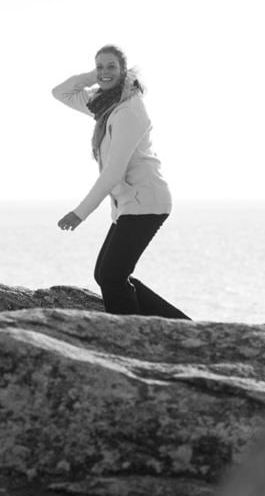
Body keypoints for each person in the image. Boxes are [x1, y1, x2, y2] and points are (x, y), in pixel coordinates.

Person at [52, 45, 190, 319]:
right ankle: (180, 325)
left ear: (124, 70)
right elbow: (61, 92)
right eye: (99, 66)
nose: (104, 72)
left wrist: (79, 214)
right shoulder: (104, 103)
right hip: (131, 203)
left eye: (111, 67)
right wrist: (95, 76)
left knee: (111, 276)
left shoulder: (128, 111)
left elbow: (113, 173)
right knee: (108, 275)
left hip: (147, 202)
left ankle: (133, 331)